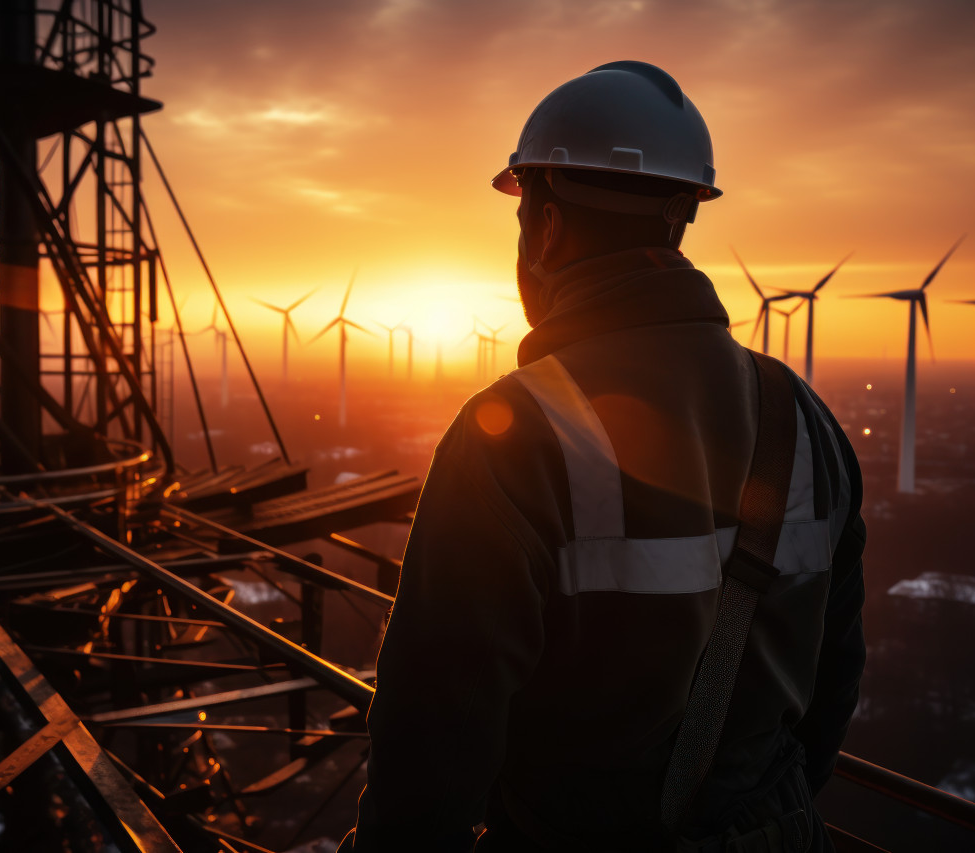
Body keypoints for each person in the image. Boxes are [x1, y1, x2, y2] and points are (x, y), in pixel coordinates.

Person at [338, 61, 865, 853]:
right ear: (685, 212)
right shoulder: (809, 423)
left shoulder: (512, 433)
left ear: (545, 225)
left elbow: (432, 745)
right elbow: (831, 690)